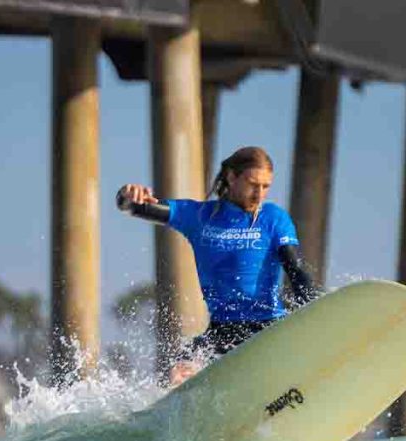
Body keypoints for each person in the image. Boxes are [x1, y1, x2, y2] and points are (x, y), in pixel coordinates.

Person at [117, 146, 319, 385]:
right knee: (180, 373)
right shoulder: (199, 216)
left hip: (269, 328)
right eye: (253, 184)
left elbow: (294, 268)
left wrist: (316, 308)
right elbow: (131, 206)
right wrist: (128, 195)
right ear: (232, 177)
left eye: (266, 186)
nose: (259, 194)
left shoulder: (273, 218)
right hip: (222, 332)